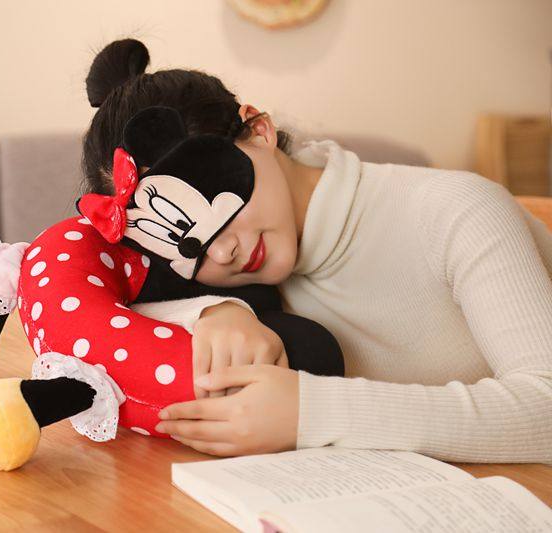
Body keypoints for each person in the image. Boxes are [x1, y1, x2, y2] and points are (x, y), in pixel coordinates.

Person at [82, 39, 552, 463]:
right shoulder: (223, 279)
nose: (221, 253)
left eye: (220, 201)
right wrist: (211, 312)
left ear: (260, 130)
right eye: (183, 245)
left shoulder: (456, 211)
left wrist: (310, 411)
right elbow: (95, 308)